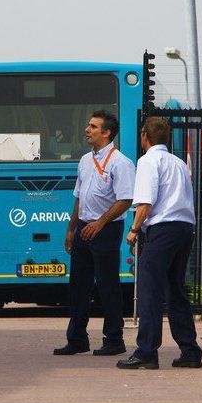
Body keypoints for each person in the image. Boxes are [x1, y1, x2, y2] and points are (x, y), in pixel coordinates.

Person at [116, 117, 202, 371]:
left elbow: (145, 202)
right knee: (175, 291)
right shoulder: (178, 163)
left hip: (162, 228)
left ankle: (146, 351)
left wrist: (133, 231)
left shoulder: (147, 161)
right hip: (184, 227)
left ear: (144, 135)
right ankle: (189, 351)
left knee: (149, 290)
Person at [53, 110, 134, 356]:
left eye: (93, 127)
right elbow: (79, 197)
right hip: (83, 228)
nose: (87, 130)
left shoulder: (120, 162)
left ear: (106, 132)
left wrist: (100, 223)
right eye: (88, 126)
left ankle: (114, 339)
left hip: (106, 229)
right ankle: (77, 338)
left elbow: (126, 199)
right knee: (78, 285)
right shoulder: (85, 160)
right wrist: (71, 229)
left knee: (108, 285)